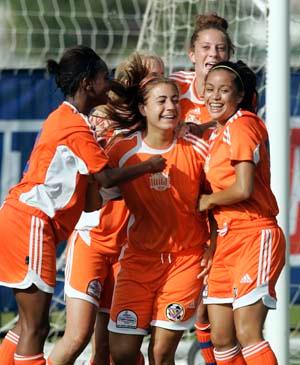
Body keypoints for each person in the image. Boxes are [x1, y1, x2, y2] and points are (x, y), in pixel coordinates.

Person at [0, 45, 166, 365]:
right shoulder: (78, 126)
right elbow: (105, 179)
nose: (111, 82)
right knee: (39, 327)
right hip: (32, 222)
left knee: (27, 325)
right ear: (89, 83)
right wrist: (148, 168)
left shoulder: (74, 119)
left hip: (25, 220)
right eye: (106, 77)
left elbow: (92, 196)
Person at [47, 51, 165, 365]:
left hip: (130, 250)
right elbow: (98, 177)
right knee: (75, 339)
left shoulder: (162, 131)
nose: (158, 85)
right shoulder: (99, 120)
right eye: (151, 78)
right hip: (93, 240)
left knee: (111, 349)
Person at [101, 54, 212, 365]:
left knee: (161, 353)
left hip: (185, 261)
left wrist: (212, 247)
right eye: (161, 100)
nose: (171, 107)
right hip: (138, 261)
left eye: (175, 100)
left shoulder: (196, 147)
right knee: (121, 353)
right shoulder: (122, 150)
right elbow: (99, 197)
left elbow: (218, 202)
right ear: (143, 109)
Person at [199, 60, 286, 365]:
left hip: (254, 235)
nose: (215, 96)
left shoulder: (244, 124)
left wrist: (207, 201)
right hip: (225, 241)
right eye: (210, 89)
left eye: (224, 90)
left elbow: (243, 189)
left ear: (239, 96)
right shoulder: (216, 135)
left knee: (248, 331)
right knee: (221, 337)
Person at [170, 13, 235, 365]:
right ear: (191, 52)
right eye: (206, 47)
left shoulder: (235, 92)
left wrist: (198, 127)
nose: (213, 53)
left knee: (213, 305)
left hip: (214, 206)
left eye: (220, 48)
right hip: (174, 204)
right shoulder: (174, 89)